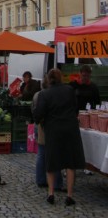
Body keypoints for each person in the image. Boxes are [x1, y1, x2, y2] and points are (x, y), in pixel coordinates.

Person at [33, 68, 85, 207]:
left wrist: (39, 120)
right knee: (70, 162)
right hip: (70, 129)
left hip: (53, 129)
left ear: (48, 79)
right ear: (61, 78)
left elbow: (38, 113)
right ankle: (69, 195)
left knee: (52, 161)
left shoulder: (45, 93)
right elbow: (76, 108)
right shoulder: (69, 90)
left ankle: (51, 193)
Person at [32, 76, 64, 190]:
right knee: (53, 154)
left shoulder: (37, 95)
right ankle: (57, 183)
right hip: (47, 126)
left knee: (41, 153)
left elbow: (34, 111)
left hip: (39, 126)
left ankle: (41, 179)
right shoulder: (48, 95)